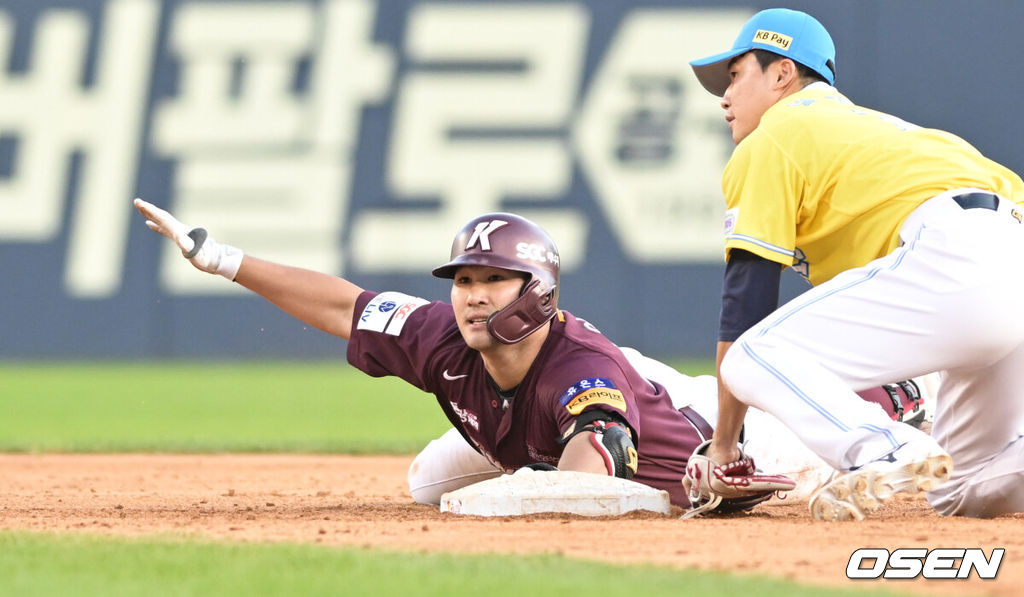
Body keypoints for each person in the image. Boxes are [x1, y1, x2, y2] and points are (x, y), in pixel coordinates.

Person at [134, 198, 837, 512]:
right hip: (538, 416)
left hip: (673, 428)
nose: (472, 295)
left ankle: (901, 393)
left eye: (492, 279)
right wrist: (222, 258)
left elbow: (592, 473)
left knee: (811, 465)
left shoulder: (581, 372)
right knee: (426, 487)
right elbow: (340, 304)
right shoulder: (441, 335)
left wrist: (523, 491)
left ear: (537, 289)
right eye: (464, 279)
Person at [688, 7, 1024, 519]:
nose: (725, 98)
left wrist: (724, 447)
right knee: (961, 487)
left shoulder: (775, 135)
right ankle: (910, 454)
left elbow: (745, 309)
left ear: (782, 74)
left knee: (748, 357)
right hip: (1005, 255)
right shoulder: (876, 131)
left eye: (735, 76)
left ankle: (888, 449)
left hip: (957, 254)